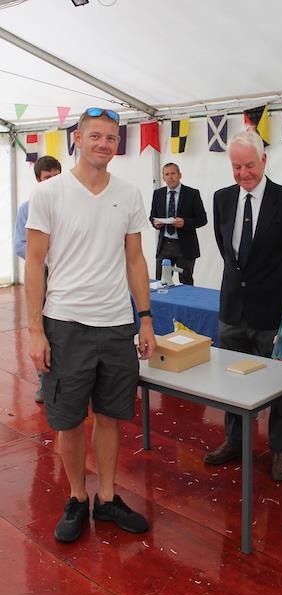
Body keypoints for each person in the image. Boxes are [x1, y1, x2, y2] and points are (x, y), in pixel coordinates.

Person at [25, 107, 156, 544]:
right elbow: (36, 265)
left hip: (117, 325)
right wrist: (36, 330)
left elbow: (135, 259)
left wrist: (146, 318)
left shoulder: (130, 193)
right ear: (77, 139)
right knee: (67, 421)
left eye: (111, 138)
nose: (103, 144)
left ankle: (106, 497)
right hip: (66, 325)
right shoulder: (50, 194)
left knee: (111, 417)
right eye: (95, 136)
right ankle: (78, 498)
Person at [205, 128, 282, 481]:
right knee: (231, 379)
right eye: (236, 167)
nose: (243, 174)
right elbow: (226, 249)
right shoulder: (221, 198)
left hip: (272, 310)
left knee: (279, 383)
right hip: (233, 308)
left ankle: (280, 449)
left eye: (249, 165)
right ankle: (235, 439)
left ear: (264, 160)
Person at [14, 155, 62, 403]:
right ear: (37, 180)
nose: (52, 182)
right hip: (43, 277)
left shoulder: (72, 204)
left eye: (56, 177)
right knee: (43, 331)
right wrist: (46, 259)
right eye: (47, 178)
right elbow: (20, 245)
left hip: (69, 276)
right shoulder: (27, 208)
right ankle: (45, 383)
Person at [150, 162, 207, 285]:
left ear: (179, 175)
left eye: (173, 173)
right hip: (164, 245)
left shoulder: (192, 194)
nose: (170, 177)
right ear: (163, 177)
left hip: (185, 247)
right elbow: (152, 216)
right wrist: (156, 223)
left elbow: (202, 219)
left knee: (186, 283)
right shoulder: (157, 194)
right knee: (161, 283)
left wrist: (185, 223)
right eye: (167, 174)